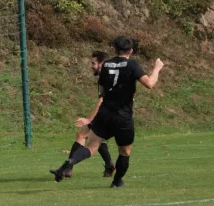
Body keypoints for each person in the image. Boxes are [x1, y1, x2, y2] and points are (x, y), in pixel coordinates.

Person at [50, 36, 164, 188]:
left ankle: (71, 161)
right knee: (125, 151)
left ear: (114, 49)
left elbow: (102, 91)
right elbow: (149, 84)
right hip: (123, 117)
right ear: (131, 50)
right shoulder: (132, 64)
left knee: (91, 146)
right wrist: (157, 68)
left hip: (105, 114)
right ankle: (117, 181)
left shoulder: (107, 64)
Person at [55, 51, 115, 179]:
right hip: (110, 112)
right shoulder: (108, 75)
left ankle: (68, 168)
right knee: (89, 136)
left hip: (110, 113)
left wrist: (89, 119)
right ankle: (109, 164)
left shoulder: (105, 78)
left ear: (102, 64)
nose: (91, 66)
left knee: (86, 137)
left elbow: (101, 101)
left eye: (93, 63)